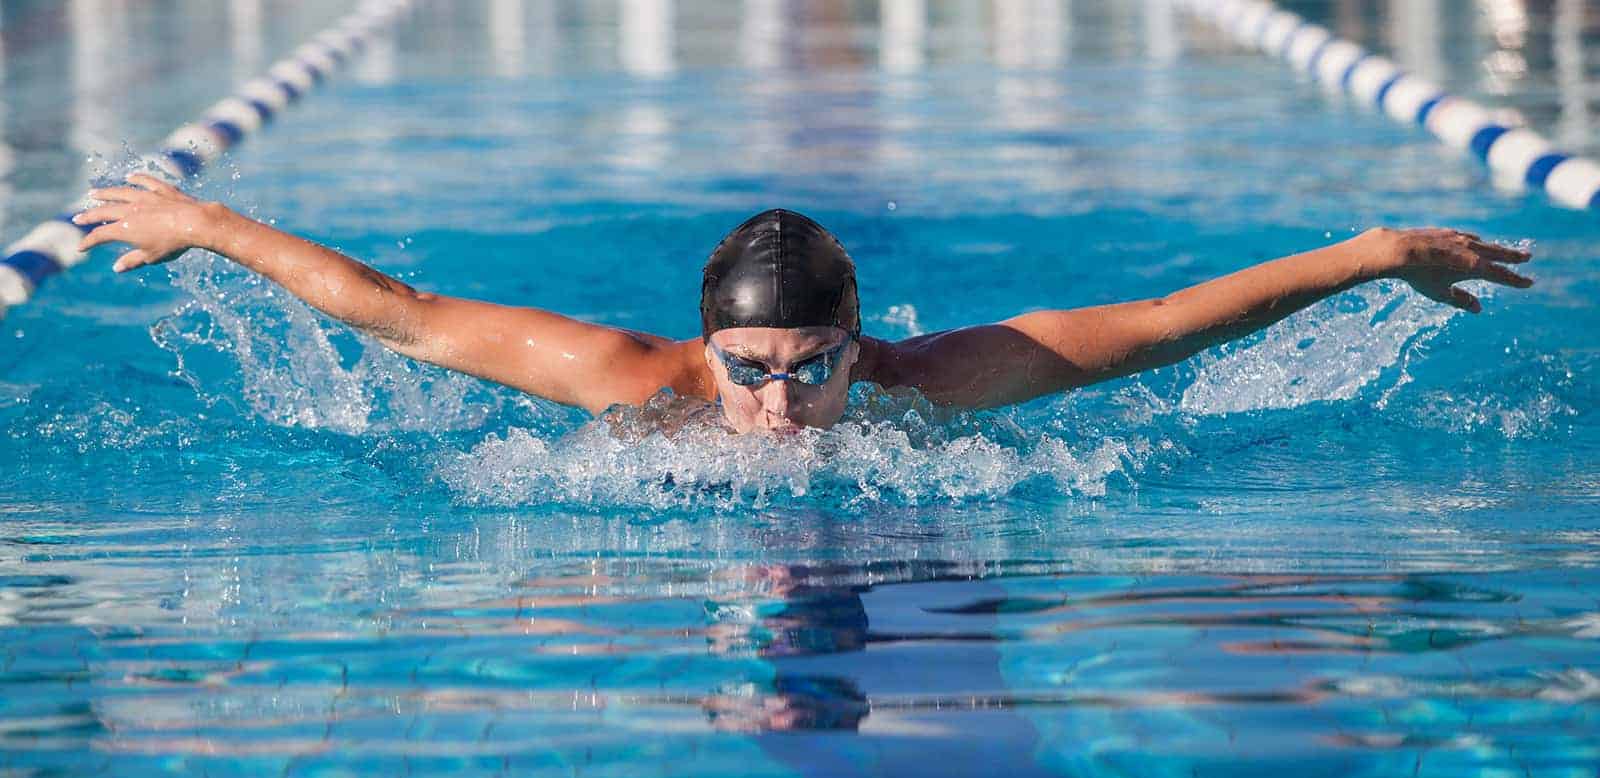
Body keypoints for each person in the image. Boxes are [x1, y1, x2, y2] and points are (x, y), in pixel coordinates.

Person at [74, 174, 1535, 434]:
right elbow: (397, 315)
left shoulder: (937, 384)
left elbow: (1161, 325)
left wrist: (1366, 254)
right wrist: (206, 224)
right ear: (704, 344)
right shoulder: (631, 384)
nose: (780, 402)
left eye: (810, 368)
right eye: (752, 369)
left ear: (861, 340)